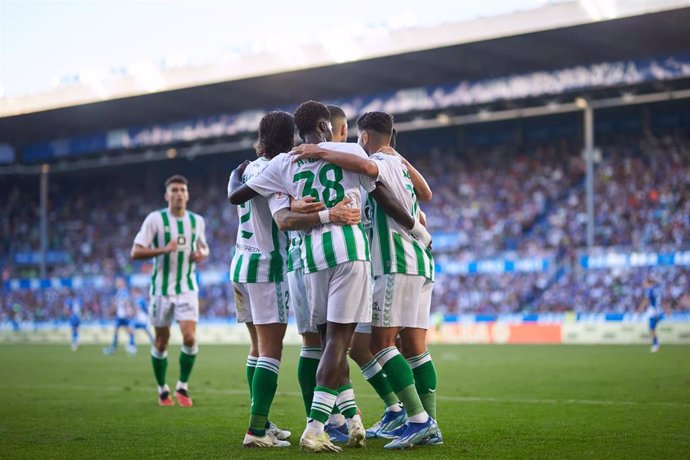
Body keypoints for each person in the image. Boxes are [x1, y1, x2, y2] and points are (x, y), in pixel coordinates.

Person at [230, 100, 430, 452]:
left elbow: (245, 198)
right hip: (349, 254)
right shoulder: (348, 150)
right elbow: (374, 176)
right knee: (339, 342)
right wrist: (416, 228)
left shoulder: (282, 163)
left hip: (307, 260)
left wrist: (245, 172)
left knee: (323, 344)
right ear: (325, 127)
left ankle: (345, 419)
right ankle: (320, 425)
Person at [290, 111, 440, 448]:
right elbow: (425, 195)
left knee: (379, 343)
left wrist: (320, 152)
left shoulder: (374, 162)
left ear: (364, 137)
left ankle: (416, 418)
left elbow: (373, 172)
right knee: (408, 346)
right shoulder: (396, 162)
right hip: (417, 260)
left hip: (394, 260)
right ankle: (425, 423)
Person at [227, 110, 360, 448]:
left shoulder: (242, 169)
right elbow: (283, 218)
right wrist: (301, 207)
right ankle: (257, 430)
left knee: (257, 350)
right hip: (269, 264)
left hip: (239, 262)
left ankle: (263, 421)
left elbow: (235, 194)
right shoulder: (282, 166)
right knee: (275, 350)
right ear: (290, 138)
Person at [131, 175, 209, 407]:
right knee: (162, 342)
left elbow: (203, 247)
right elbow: (135, 252)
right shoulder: (155, 219)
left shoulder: (197, 221)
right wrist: (164, 249)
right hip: (160, 291)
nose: (178, 193)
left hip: (187, 288)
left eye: (182, 190)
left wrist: (202, 254)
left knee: (189, 337)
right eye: (173, 190)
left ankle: (182, 386)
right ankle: (162, 388)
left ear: (187, 194)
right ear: (167, 195)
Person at [102, 277, 136, 356]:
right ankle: (129, 346)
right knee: (123, 330)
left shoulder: (123, 291)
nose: (116, 284)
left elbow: (126, 301)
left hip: (123, 315)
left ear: (122, 283)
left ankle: (130, 346)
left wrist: (128, 310)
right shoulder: (120, 291)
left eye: (118, 282)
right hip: (120, 314)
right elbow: (117, 304)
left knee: (127, 330)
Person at [637, 276, 671, 353]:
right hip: (660, 311)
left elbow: (646, 301)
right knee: (652, 329)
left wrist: (640, 309)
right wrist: (668, 310)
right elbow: (664, 301)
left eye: (645, 283)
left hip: (653, 312)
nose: (644, 285)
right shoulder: (660, 290)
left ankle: (656, 343)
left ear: (649, 283)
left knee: (651, 329)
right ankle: (656, 343)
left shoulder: (650, 290)